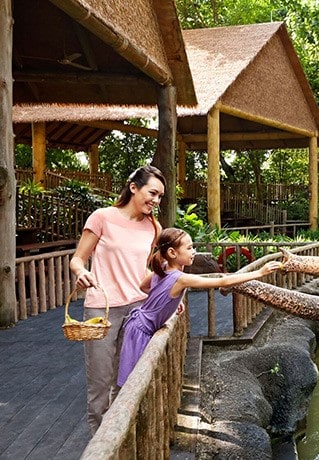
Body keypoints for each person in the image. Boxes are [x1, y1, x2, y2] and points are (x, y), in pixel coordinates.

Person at [117, 228, 282, 386]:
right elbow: (222, 282)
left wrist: (171, 300)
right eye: (189, 248)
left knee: (140, 378)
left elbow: (144, 287)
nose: (193, 251)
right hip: (141, 331)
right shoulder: (180, 278)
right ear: (172, 253)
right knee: (134, 381)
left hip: (137, 324)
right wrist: (260, 272)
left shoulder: (163, 269)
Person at [69, 165, 165, 435]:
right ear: (133, 187)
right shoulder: (102, 217)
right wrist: (82, 272)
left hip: (137, 309)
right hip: (102, 307)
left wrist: (166, 295)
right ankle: (99, 444)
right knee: (100, 381)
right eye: (152, 193)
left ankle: (121, 438)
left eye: (160, 197)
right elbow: (77, 258)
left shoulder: (153, 228)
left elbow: (143, 271)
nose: (156, 201)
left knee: (128, 379)